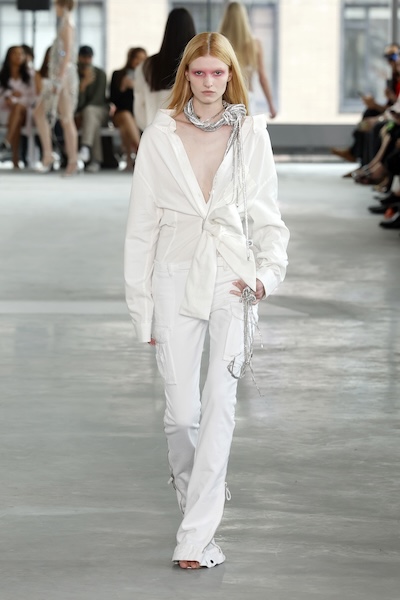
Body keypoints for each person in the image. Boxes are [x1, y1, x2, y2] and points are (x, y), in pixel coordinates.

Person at [124, 32, 289, 569]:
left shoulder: (251, 134)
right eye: (200, 72)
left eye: (219, 72)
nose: (210, 82)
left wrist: (266, 276)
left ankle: (196, 538)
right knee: (181, 415)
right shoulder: (160, 135)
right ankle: (197, 498)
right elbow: (141, 228)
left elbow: (267, 214)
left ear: (231, 75)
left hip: (232, 278)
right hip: (173, 276)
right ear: (186, 76)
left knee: (220, 402)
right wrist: (141, 308)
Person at [134, 8, 196, 131]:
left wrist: (149, 128)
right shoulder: (196, 64)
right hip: (191, 132)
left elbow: (139, 108)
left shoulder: (146, 66)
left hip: (155, 132)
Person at [41, 0, 79, 176]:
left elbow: (67, 54)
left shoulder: (67, 24)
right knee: (49, 114)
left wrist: (60, 79)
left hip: (64, 77)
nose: (54, 8)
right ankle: (50, 155)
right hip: (60, 75)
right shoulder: (65, 23)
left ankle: (72, 161)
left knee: (66, 119)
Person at [219, 1, 277, 118]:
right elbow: (263, 78)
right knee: (247, 129)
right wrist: (271, 105)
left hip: (224, 98)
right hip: (247, 98)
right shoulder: (255, 44)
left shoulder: (220, 44)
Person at [109, 47, 147, 170]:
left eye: (143, 59)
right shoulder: (118, 74)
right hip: (120, 114)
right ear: (131, 59)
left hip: (137, 116)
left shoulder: (147, 78)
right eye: (137, 58)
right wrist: (123, 88)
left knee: (126, 127)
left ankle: (129, 160)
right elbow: (113, 100)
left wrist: (136, 88)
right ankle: (141, 152)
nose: (139, 62)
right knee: (126, 116)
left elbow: (147, 101)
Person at [0, 45, 36, 168]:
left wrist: (16, 99)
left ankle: (7, 142)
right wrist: (8, 97)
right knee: (16, 117)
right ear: (9, 56)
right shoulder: (2, 75)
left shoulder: (30, 74)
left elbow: (33, 97)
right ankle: (14, 157)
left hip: (26, 109)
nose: (18, 56)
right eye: (15, 53)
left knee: (18, 108)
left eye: (21, 53)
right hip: (7, 109)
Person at [75, 45, 109, 173]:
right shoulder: (74, 74)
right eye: (83, 57)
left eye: (88, 57)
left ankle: (85, 147)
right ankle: (95, 159)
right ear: (79, 57)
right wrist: (82, 86)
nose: (86, 60)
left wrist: (82, 111)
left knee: (90, 112)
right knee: (92, 120)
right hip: (85, 114)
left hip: (100, 111)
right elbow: (76, 104)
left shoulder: (100, 74)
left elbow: (98, 100)